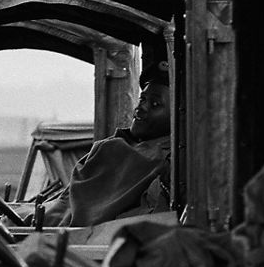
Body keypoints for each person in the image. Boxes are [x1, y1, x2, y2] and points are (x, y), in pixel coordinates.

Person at [41, 66, 173, 226]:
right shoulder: (113, 146)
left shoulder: (161, 162)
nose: (141, 107)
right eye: (142, 99)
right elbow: (63, 207)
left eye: (155, 104)